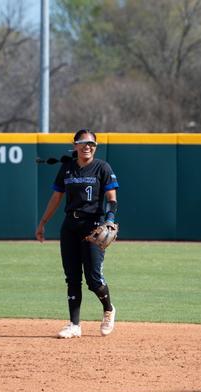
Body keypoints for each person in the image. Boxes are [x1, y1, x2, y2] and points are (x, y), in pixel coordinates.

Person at [35, 129, 120, 338]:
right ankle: (74, 324)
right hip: (70, 226)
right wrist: (43, 222)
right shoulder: (67, 168)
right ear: (75, 145)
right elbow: (56, 197)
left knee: (93, 279)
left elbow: (111, 199)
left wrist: (109, 220)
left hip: (93, 227)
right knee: (72, 277)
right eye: (83, 143)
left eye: (92, 144)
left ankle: (108, 309)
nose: (87, 147)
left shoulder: (102, 167)